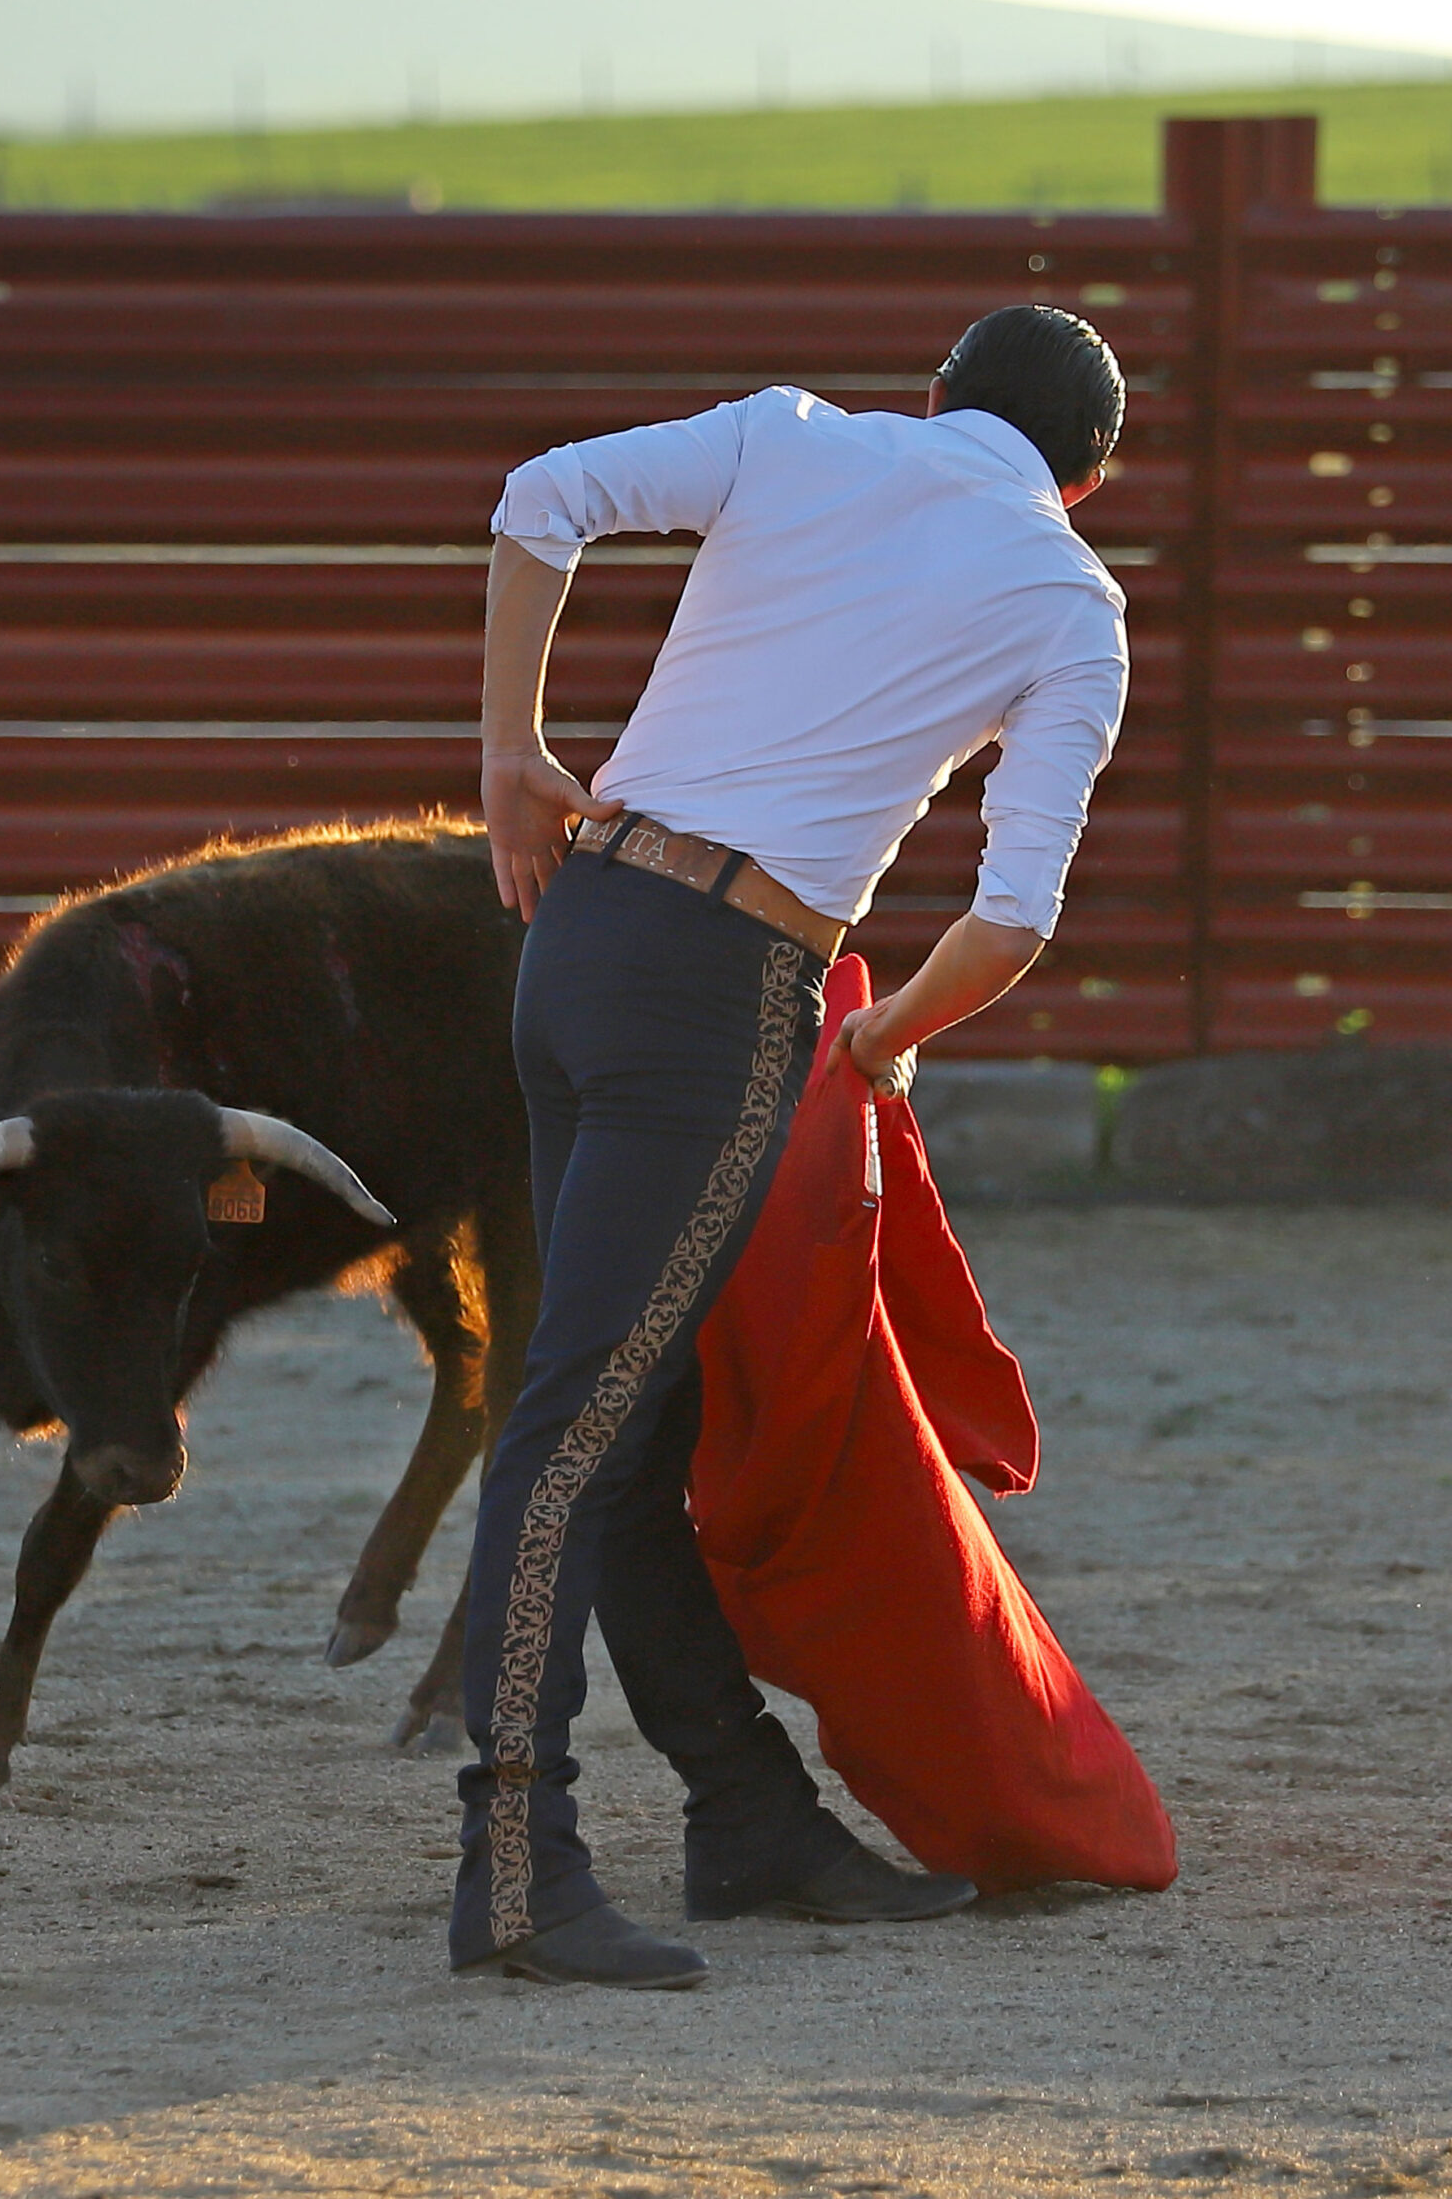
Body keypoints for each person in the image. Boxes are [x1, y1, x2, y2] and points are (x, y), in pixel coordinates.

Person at [451, 302, 1130, 1989]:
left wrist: (512, 753)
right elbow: (1013, 921)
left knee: (623, 1421)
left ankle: (746, 1817)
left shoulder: (796, 434)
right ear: (1085, 482)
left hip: (575, 937)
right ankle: (517, 1871)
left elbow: (540, 497)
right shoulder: (1069, 600)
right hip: (723, 995)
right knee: (583, 1424)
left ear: (936, 399)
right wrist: (882, 1042)